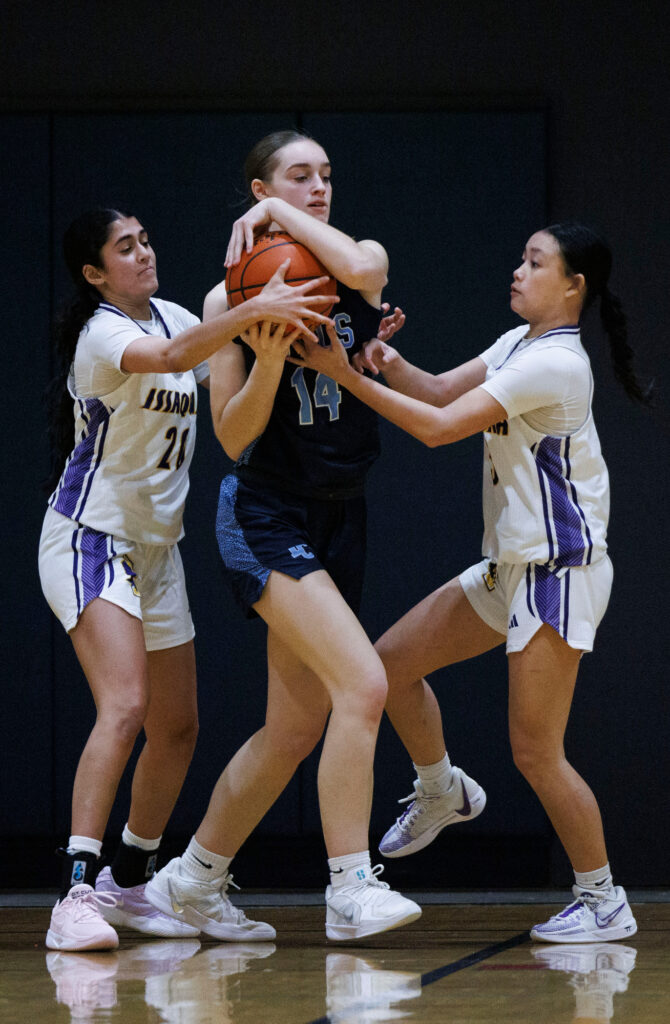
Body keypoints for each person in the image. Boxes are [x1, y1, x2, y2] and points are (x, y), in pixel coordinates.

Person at [291, 221, 650, 943]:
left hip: (558, 570)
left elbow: (438, 428)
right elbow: (437, 390)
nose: (518, 270)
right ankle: (441, 789)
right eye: (521, 257)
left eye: (535, 262)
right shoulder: (518, 344)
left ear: (573, 286)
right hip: (510, 565)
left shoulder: (557, 362)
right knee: (386, 667)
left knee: (535, 752)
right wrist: (382, 360)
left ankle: (604, 900)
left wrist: (343, 377)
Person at [146, 129, 441, 941]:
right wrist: (267, 350)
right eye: (297, 178)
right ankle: (350, 885)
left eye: (325, 177)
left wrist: (279, 211)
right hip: (265, 512)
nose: (319, 188)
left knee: (293, 727)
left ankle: (191, 881)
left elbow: (370, 270)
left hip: (340, 510)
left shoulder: (355, 265)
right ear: (258, 190)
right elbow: (235, 440)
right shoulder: (225, 301)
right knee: (365, 685)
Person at [39, 206, 332, 952]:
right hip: (90, 538)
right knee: (127, 704)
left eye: (146, 238)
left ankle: (131, 884)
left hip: (158, 551)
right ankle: (75, 889)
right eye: (125, 247)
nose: (144, 252)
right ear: (95, 272)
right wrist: (251, 307)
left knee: (178, 726)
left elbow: (227, 392)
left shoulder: (174, 314)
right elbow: (171, 360)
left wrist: (285, 341)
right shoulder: (104, 332)